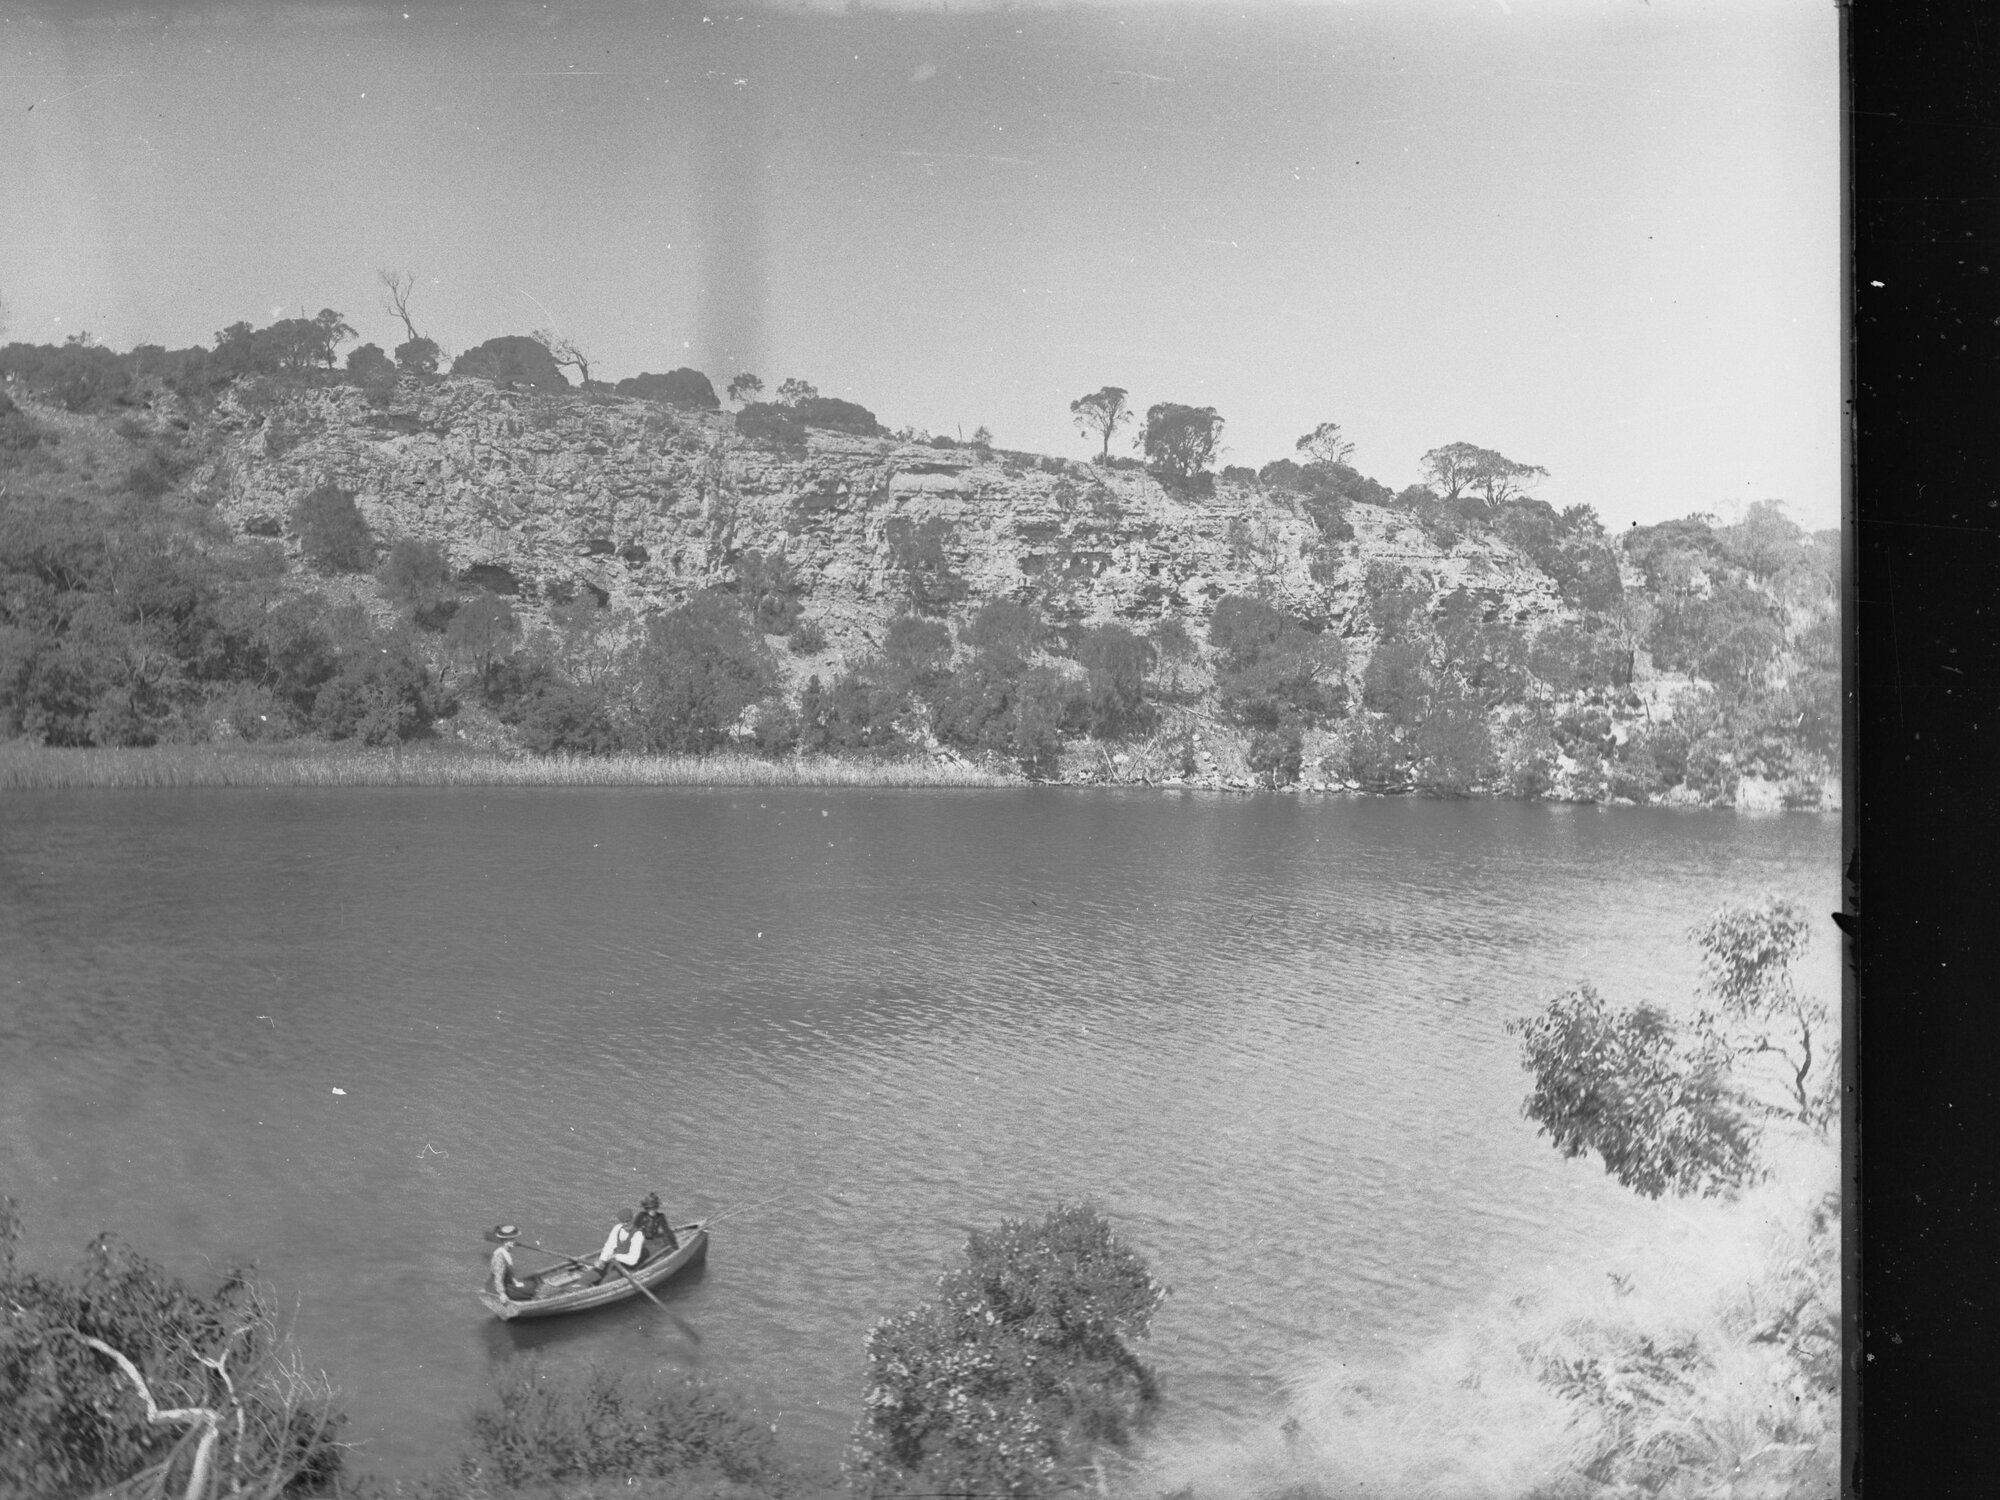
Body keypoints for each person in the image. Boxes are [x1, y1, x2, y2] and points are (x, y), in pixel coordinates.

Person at [590, 1209, 647, 1285]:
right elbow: (609, 1246)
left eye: (628, 1221)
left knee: (604, 1284)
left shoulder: (638, 1234)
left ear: (632, 1219)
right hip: (614, 1262)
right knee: (586, 1278)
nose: (626, 1224)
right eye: (623, 1222)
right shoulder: (617, 1228)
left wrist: (615, 1256)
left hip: (627, 1267)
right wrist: (602, 1260)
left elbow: (633, 1260)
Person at [485, 1223, 539, 1301]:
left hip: (506, 1283)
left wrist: (515, 1282)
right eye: (510, 1240)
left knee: (533, 1283)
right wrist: (502, 1294)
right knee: (532, 1289)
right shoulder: (500, 1256)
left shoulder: (506, 1252)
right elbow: (498, 1277)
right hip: (497, 1288)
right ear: (504, 1241)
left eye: (513, 1239)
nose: (513, 1242)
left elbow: (509, 1272)